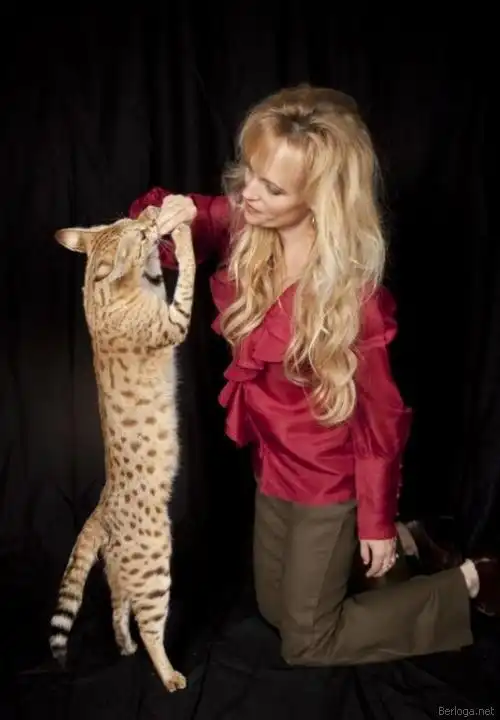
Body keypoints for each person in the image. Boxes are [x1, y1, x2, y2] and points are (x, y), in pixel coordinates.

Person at [129, 85, 500, 667]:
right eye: (250, 174)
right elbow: (176, 231)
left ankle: (470, 582)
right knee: (274, 611)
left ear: (320, 200)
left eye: (273, 188)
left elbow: (380, 422)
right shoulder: (246, 224)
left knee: (306, 642)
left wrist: (375, 522)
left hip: (330, 478)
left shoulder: (355, 301)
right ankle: (416, 542)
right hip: (272, 463)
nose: (248, 194)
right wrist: (167, 217)